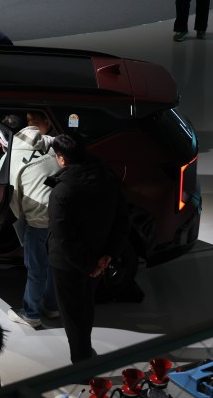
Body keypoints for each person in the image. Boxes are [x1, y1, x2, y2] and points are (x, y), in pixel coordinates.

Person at [46, 133, 129, 363]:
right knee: (86, 306)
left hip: (68, 265)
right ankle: (85, 354)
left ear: (62, 159)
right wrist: (107, 256)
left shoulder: (62, 192)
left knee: (72, 315)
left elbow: (63, 238)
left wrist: (87, 265)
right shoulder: (108, 179)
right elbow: (122, 220)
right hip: (99, 258)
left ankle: (81, 364)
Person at [7, 124, 61, 329]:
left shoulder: (10, 158)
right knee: (54, 263)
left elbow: (14, 198)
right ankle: (52, 306)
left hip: (38, 220)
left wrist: (21, 217)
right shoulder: (51, 144)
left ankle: (31, 314)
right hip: (61, 215)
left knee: (36, 268)